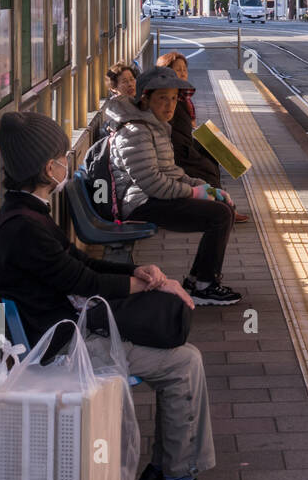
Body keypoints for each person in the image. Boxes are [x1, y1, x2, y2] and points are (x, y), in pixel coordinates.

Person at [0, 111, 225, 480]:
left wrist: (136, 270)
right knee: (185, 362)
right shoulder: (24, 227)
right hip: (62, 347)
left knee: (181, 356)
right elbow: (81, 280)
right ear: (49, 168)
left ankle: (172, 471)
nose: (69, 163)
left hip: (63, 332)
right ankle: (175, 476)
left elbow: (79, 263)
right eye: (63, 157)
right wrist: (153, 284)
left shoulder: (24, 216)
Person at [106, 66, 242, 306]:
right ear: (144, 99)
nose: (169, 106)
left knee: (222, 208)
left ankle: (198, 281)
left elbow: (171, 173)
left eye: (172, 98)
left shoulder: (154, 125)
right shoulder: (135, 130)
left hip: (150, 197)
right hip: (139, 203)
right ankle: (204, 285)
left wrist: (208, 188)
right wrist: (195, 192)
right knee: (219, 215)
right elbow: (151, 182)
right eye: (161, 98)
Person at [155, 51, 249, 224]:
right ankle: (224, 210)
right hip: (174, 152)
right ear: (165, 73)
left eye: (184, 69)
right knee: (206, 168)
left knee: (212, 153)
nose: (183, 73)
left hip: (181, 145)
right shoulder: (166, 97)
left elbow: (183, 128)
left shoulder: (181, 96)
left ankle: (221, 203)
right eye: (178, 70)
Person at [89, 61, 138, 145]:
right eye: (124, 81)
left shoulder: (141, 101)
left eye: (132, 79)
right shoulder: (113, 109)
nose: (130, 84)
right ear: (113, 88)